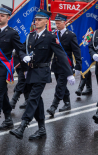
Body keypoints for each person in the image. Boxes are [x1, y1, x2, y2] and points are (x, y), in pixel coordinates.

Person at [9, 9, 74, 141]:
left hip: (42, 72)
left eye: (39, 20)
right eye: (36, 20)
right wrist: (24, 57)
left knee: (32, 98)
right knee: (37, 100)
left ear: (46, 21)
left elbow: (61, 55)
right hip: (31, 72)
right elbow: (20, 50)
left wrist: (69, 73)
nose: (36, 22)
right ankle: (42, 129)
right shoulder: (30, 36)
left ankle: (22, 126)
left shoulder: (51, 37)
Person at [0, 4, 28, 132]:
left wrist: (25, 69)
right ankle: (8, 119)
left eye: (2, 16)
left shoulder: (12, 33)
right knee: (2, 94)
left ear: (8, 18)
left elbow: (20, 49)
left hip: (4, 68)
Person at [47, 13, 82, 116]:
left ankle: (54, 106)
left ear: (64, 22)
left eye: (58, 23)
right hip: (56, 64)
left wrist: (78, 65)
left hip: (66, 65)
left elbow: (76, 51)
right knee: (61, 85)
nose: (57, 25)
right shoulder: (54, 34)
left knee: (60, 85)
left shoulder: (70, 35)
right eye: (56, 23)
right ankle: (67, 102)